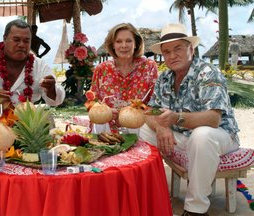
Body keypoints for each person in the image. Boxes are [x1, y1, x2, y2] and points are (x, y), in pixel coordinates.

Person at [140, 23, 240, 216]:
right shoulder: (165, 78)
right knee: (140, 129)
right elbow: (149, 112)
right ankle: (149, 193)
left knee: (202, 136)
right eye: (167, 51)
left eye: (178, 48)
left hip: (220, 137)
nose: (172, 55)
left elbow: (213, 119)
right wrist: (161, 128)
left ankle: (196, 209)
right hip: (184, 137)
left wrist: (175, 119)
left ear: (191, 49)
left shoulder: (207, 72)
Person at [0, 19, 65, 107]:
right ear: (5, 39)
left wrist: (51, 90)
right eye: (16, 40)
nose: (21, 45)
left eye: (26, 41)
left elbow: (56, 101)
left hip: (24, 126)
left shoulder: (40, 65)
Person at [90, 23, 158, 131]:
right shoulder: (101, 69)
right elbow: (91, 102)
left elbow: (155, 104)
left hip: (139, 128)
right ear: (112, 45)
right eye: (118, 41)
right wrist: (106, 112)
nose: (124, 45)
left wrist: (138, 113)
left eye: (129, 41)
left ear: (136, 43)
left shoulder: (149, 67)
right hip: (106, 128)